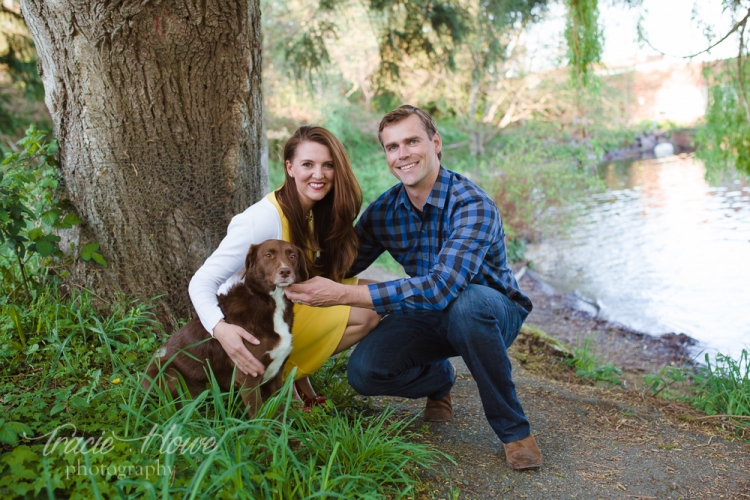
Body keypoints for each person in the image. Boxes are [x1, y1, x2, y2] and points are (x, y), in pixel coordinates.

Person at [285, 105, 543, 470]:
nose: (402, 154)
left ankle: (515, 432)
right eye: (392, 147)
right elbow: (339, 264)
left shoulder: (471, 204)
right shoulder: (386, 210)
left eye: (412, 141)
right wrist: (292, 231)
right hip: (427, 315)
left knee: (466, 306)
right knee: (365, 372)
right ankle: (440, 381)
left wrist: (344, 295)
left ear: (435, 143)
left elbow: (441, 288)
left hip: (490, 312)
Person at [189, 126, 381, 403]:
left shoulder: (311, 211)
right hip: (253, 323)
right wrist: (221, 330)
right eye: (308, 165)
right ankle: (276, 375)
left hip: (282, 306)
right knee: (367, 313)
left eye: (328, 165)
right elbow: (202, 281)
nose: (319, 174)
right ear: (289, 167)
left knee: (373, 296)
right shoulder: (261, 220)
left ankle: (295, 379)